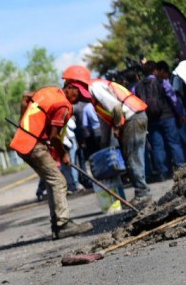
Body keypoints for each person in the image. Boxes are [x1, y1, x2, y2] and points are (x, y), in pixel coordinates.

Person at [10, 83, 93, 239]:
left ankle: (56, 224)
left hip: (23, 142)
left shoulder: (48, 91)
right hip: (34, 145)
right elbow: (55, 137)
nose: (79, 98)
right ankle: (63, 224)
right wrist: (63, 154)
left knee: (51, 181)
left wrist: (24, 126)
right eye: (78, 94)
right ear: (69, 87)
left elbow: (26, 96)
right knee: (59, 181)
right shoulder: (63, 105)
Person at [62, 65, 152, 204]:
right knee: (131, 157)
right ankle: (141, 192)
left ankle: (143, 194)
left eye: (68, 87)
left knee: (133, 157)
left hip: (132, 118)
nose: (66, 92)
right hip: (132, 118)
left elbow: (116, 107)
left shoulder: (95, 87)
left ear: (76, 86)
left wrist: (117, 127)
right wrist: (106, 140)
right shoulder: (93, 93)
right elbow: (106, 119)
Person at [134, 61, 185, 180]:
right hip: (167, 116)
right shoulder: (161, 81)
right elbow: (172, 97)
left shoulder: (138, 86)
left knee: (157, 146)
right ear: (154, 70)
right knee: (174, 143)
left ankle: (163, 172)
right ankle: (182, 168)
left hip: (151, 120)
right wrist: (180, 113)